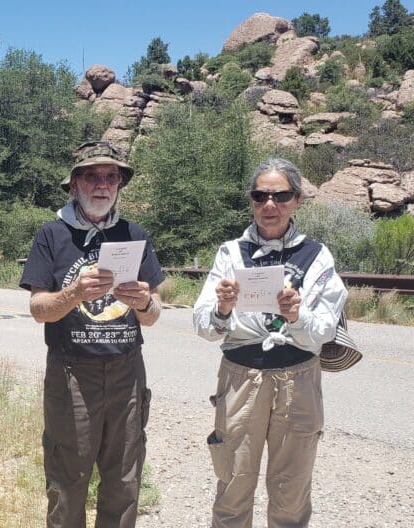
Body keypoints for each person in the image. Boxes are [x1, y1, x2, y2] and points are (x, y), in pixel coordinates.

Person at [193, 158, 348, 528]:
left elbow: (323, 332)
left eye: (280, 196)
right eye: (260, 195)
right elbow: (203, 324)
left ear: (297, 200)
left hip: (299, 378)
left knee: (291, 492)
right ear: (251, 200)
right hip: (240, 377)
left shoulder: (317, 256)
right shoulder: (230, 253)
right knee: (232, 486)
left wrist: (297, 317)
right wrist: (224, 307)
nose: (269, 205)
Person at [20, 141, 164, 528]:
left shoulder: (135, 234)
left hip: (127, 372)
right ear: (73, 185)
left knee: (124, 478)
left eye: (111, 177)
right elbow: (38, 310)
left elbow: (153, 315)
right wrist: (74, 293)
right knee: (68, 477)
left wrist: (142, 302)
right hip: (71, 373)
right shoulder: (52, 235)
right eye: (92, 176)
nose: (102, 185)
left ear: (119, 185)